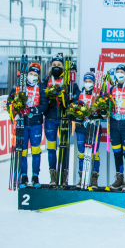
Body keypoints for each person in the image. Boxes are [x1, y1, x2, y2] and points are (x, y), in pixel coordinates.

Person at [8, 62, 48, 188]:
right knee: (23, 151)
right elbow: (10, 100)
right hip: (23, 124)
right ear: (27, 74)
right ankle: (23, 175)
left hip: (36, 123)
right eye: (31, 73)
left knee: (36, 151)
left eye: (35, 74)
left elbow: (44, 106)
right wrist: (15, 109)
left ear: (38, 76)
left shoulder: (41, 87)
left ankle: (35, 176)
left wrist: (31, 110)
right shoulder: (19, 86)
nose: (32, 76)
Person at [42, 54, 80, 186]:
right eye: (54, 65)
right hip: (50, 118)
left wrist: (68, 99)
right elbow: (41, 97)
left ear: (63, 67)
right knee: (51, 148)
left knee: (64, 147)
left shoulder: (68, 80)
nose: (56, 67)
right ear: (51, 67)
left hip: (64, 118)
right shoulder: (46, 80)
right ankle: (53, 176)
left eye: (59, 65)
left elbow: (77, 95)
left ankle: (64, 176)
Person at [74, 72, 103, 189]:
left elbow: (104, 112)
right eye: (86, 81)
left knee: (94, 154)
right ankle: (82, 177)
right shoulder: (79, 95)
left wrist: (98, 114)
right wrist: (77, 115)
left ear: (94, 83)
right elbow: (73, 109)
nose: (87, 83)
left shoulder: (98, 95)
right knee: (81, 154)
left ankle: (94, 178)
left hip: (95, 128)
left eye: (90, 81)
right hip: (81, 128)